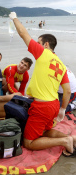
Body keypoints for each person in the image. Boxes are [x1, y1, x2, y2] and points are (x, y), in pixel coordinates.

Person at [9, 12, 76, 156]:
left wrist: (14, 18)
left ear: (46, 44)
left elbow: (23, 33)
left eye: (39, 43)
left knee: (29, 142)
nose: (36, 45)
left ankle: (65, 141)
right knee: (45, 130)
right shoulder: (62, 65)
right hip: (54, 105)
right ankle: (72, 139)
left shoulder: (43, 52)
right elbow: (67, 91)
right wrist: (62, 109)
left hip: (42, 107)